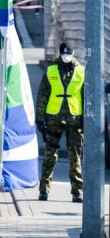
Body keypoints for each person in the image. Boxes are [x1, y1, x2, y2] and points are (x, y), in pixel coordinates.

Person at [36, 42, 85, 203]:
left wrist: (86, 120)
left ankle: (77, 191)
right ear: (60, 53)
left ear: (73, 53)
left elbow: (86, 97)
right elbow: (42, 95)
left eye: (68, 53)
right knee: (50, 155)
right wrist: (39, 118)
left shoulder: (81, 71)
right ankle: (44, 189)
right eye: (64, 53)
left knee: (75, 156)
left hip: (75, 119)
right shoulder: (51, 70)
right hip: (53, 118)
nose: (66, 56)